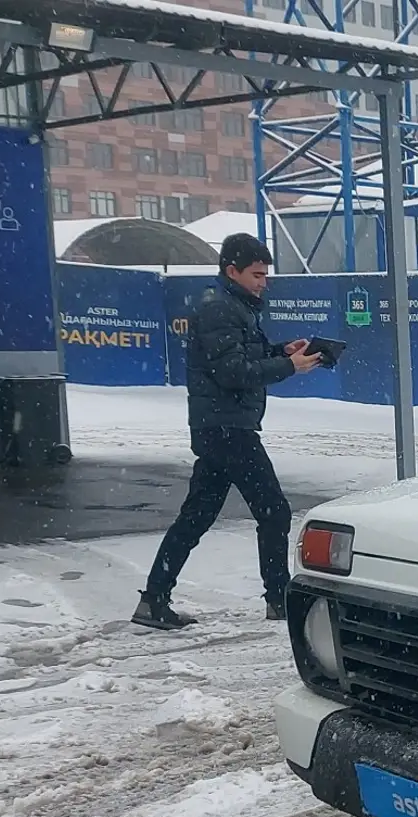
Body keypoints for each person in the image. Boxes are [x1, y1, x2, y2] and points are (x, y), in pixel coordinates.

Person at [133, 233, 322, 630]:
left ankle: (154, 599)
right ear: (230, 270)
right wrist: (291, 367)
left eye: (265, 275)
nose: (263, 282)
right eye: (256, 274)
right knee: (274, 512)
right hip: (228, 429)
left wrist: (280, 351)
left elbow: (241, 356)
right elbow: (233, 372)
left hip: (219, 427)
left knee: (196, 517)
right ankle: (278, 599)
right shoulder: (221, 309)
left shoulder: (232, 305)